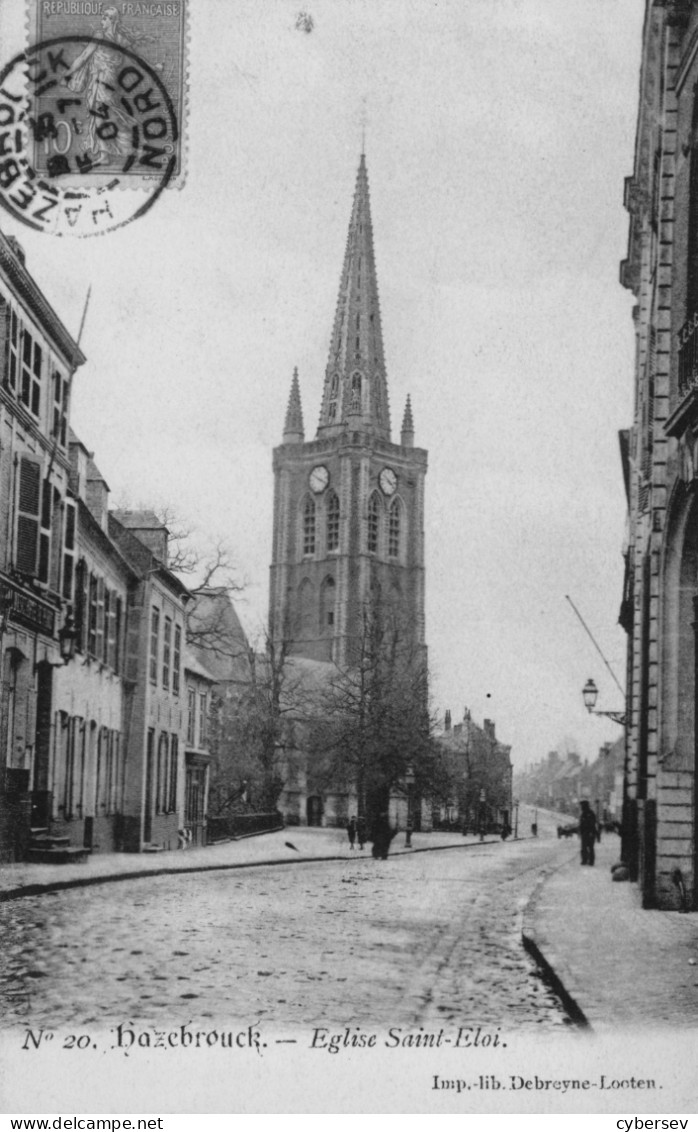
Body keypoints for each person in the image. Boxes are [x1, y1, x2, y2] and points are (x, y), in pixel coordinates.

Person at [579, 800, 598, 866]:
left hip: (590, 833)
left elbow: (592, 824)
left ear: (585, 806)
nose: (581, 807)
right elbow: (581, 824)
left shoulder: (589, 813)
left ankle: (590, 861)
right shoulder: (585, 813)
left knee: (590, 847)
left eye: (582, 806)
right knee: (584, 847)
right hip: (585, 833)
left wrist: (591, 832)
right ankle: (585, 860)